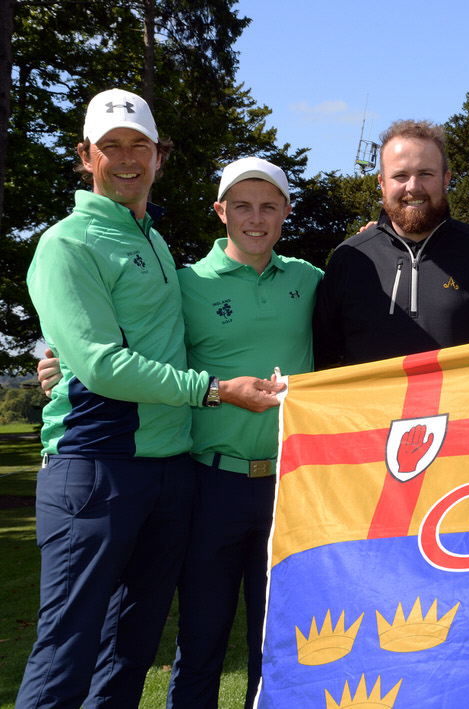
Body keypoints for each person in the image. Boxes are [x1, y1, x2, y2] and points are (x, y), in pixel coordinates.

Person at [19, 89, 282, 708]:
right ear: (86, 156)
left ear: (159, 155)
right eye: (112, 147)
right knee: (67, 650)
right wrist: (214, 392)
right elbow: (103, 364)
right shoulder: (67, 242)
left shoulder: (154, 243)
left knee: (130, 651)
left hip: (167, 470)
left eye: (140, 145)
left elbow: (163, 342)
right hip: (95, 465)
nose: (128, 158)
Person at [166, 158, 322, 708]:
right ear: (221, 212)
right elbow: (133, 346)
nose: (256, 219)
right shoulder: (185, 285)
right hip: (213, 486)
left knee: (276, 644)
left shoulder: (308, 279)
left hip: (290, 490)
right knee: (202, 641)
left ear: (284, 213)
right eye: (242, 206)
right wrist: (56, 367)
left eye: (268, 206)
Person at [312, 119, 469, 368]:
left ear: (446, 179)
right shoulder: (350, 258)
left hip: (466, 406)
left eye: (426, 174)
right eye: (400, 176)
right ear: (382, 183)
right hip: (374, 407)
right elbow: (322, 358)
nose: (413, 187)